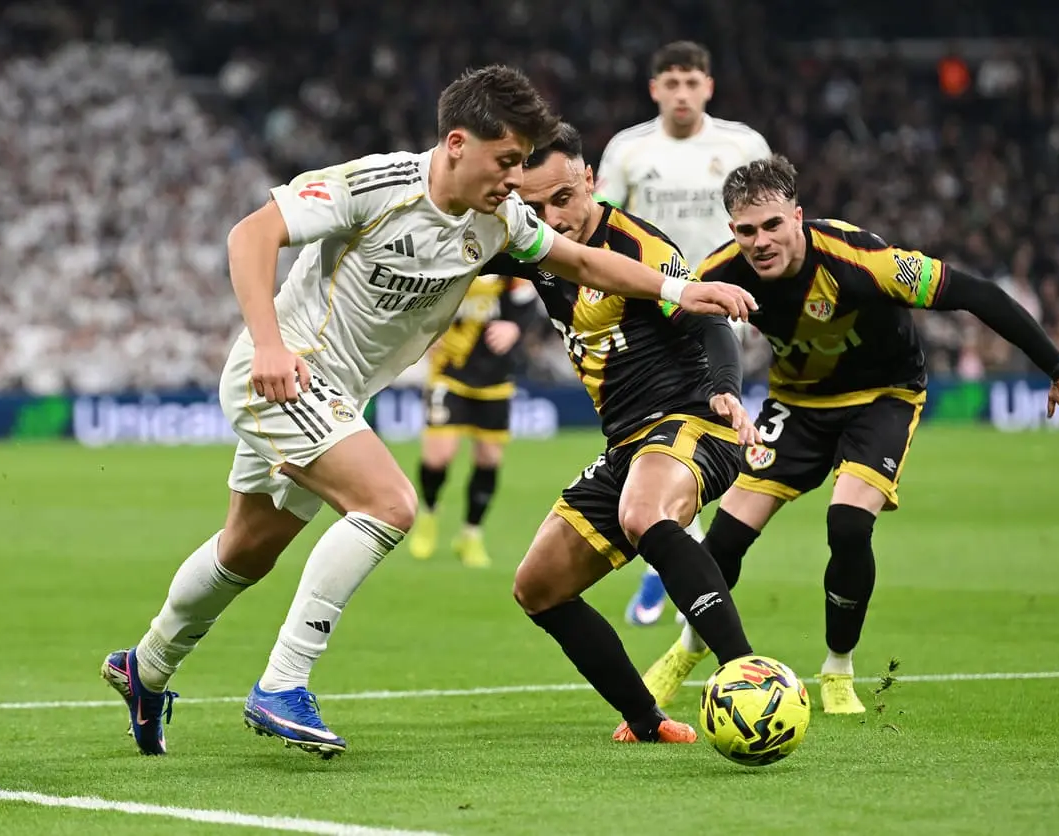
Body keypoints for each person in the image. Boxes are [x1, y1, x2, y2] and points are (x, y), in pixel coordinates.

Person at [99, 66, 757, 759]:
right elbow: (250, 236)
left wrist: (676, 291)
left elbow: (583, 263)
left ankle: (145, 669)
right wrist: (266, 343)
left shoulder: (498, 218)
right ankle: (282, 685)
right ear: (455, 143)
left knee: (246, 549)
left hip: (340, 395)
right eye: (506, 161)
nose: (514, 181)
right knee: (389, 505)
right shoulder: (374, 186)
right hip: (286, 374)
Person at [642, 155, 1059, 715]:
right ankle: (689, 646)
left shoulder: (865, 261)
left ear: (798, 217)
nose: (759, 242)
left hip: (883, 398)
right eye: (745, 230)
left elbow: (978, 294)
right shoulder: (721, 270)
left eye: (772, 226)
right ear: (732, 231)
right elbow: (700, 323)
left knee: (848, 524)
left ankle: (837, 667)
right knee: (726, 539)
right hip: (798, 404)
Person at [482, 122, 762, 744]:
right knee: (538, 586)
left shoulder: (637, 244)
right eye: (532, 207)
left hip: (694, 421)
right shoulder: (534, 246)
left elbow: (706, 315)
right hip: (627, 444)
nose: (551, 218)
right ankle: (648, 718)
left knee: (643, 510)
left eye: (562, 198)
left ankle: (746, 671)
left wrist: (725, 389)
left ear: (591, 181)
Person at [595, 40, 772, 626]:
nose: (681, 93)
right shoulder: (628, 149)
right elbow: (600, 228)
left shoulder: (742, 145)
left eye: (691, 82)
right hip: (652, 306)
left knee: (707, 422)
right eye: (670, 83)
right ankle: (672, 551)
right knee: (676, 421)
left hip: (722, 301)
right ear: (655, 89)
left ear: (708, 87)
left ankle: (669, 550)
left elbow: (768, 219)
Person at [406, 273, 538, 568]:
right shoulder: (452, 261)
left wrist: (515, 327)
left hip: (495, 379)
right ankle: (428, 515)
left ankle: (470, 534)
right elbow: (419, 300)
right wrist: (424, 333)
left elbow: (529, 302)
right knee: (438, 457)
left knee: (489, 459)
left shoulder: (509, 267)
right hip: (449, 372)